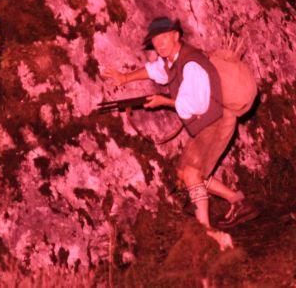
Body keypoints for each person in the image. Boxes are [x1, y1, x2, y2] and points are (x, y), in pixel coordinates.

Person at [102, 16, 259, 238]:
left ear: (176, 36)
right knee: (184, 173)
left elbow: (197, 104)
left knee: (193, 173)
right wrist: (125, 78)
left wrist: (164, 102)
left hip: (217, 121)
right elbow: (154, 70)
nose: (159, 44)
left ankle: (206, 232)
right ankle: (237, 201)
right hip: (208, 122)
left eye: (164, 38)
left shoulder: (191, 64)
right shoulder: (172, 59)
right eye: (155, 40)